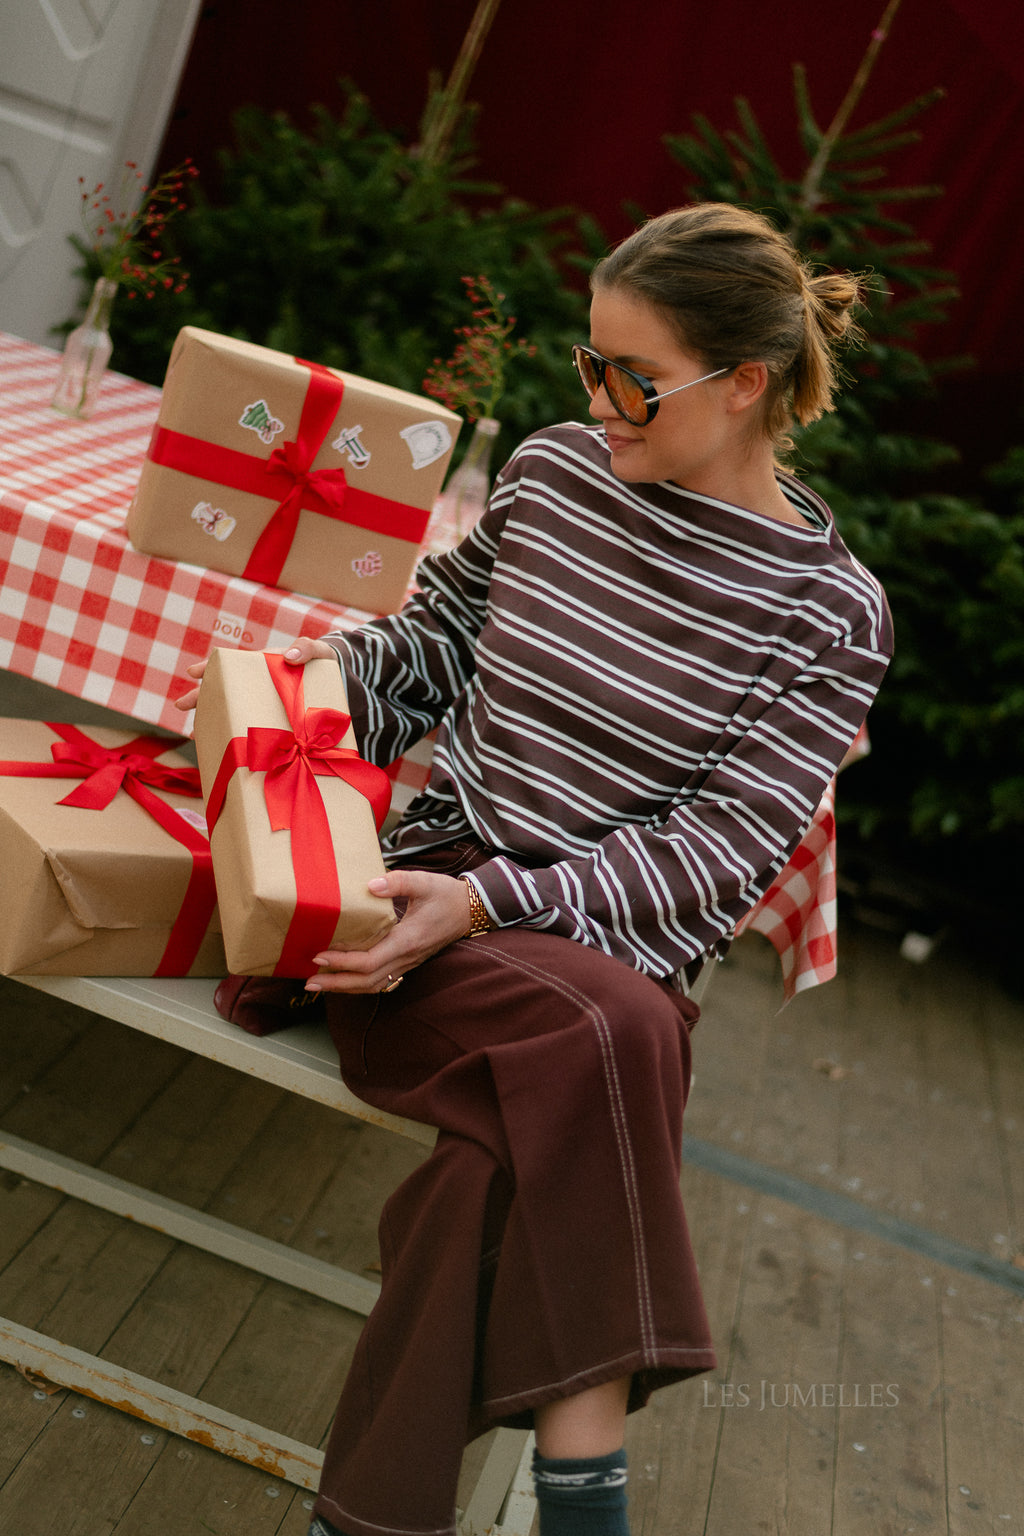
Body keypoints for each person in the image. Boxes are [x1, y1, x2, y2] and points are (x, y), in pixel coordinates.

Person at [178, 202, 893, 1536]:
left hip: (570, 965)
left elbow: (721, 862)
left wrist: (501, 901)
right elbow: (429, 658)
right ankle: (586, 1495)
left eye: (635, 377)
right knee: (613, 1041)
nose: (599, 402)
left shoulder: (829, 612)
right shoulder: (557, 477)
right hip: (408, 926)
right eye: (588, 363)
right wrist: (293, 699)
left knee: (516, 1135)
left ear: (745, 386)